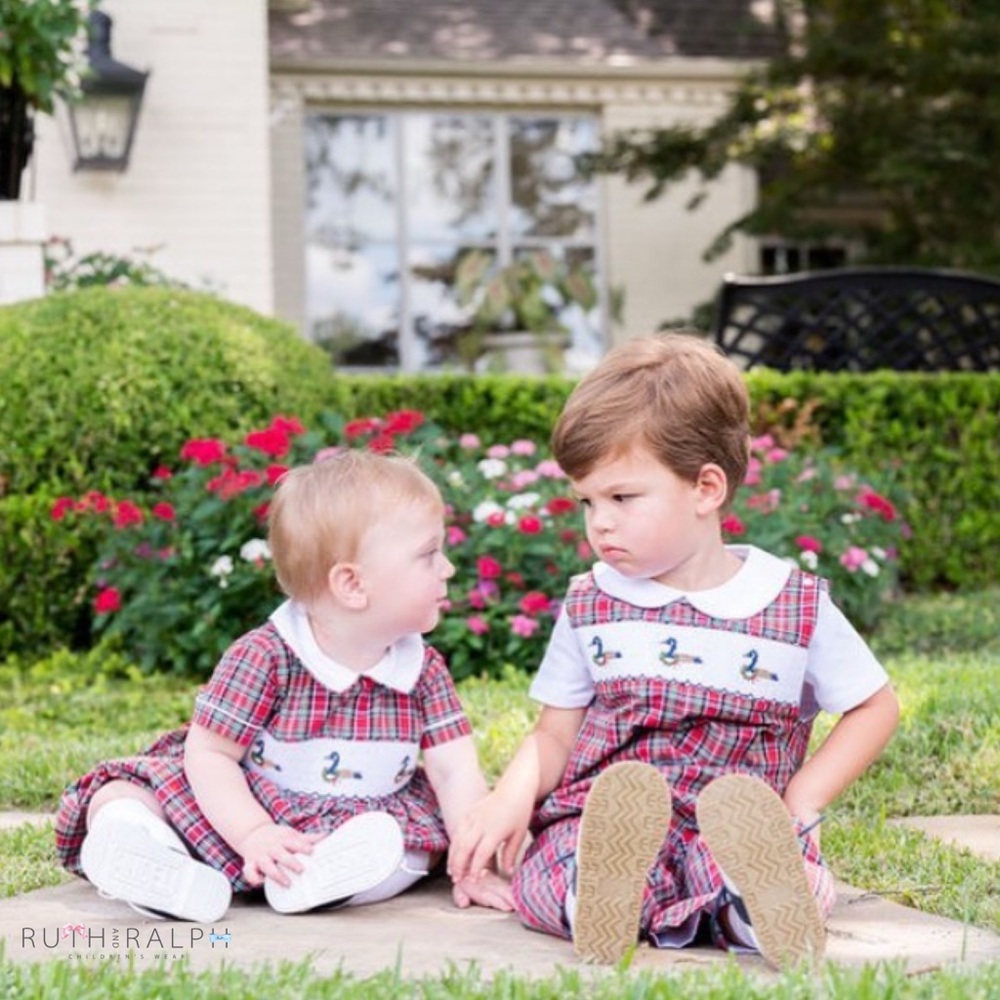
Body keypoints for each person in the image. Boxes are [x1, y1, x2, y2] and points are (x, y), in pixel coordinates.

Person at [448, 333, 899, 968]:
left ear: (706, 488)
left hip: (738, 821)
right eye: (587, 501)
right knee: (548, 865)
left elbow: (875, 707)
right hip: (609, 814)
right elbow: (554, 736)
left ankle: (755, 901)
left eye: (621, 497)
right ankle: (595, 894)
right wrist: (510, 797)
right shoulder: (592, 602)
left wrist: (799, 803)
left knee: (758, 867)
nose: (598, 522)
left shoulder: (789, 603)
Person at [56, 450, 513, 921]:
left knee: (409, 844)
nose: (448, 568)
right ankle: (144, 848)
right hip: (240, 810)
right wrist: (253, 832)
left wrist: (471, 865)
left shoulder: (423, 670)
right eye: (428, 554)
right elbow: (210, 755)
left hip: (351, 826)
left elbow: (455, 773)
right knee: (122, 792)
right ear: (353, 585)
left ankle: (321, 881)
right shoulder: (266, 656)